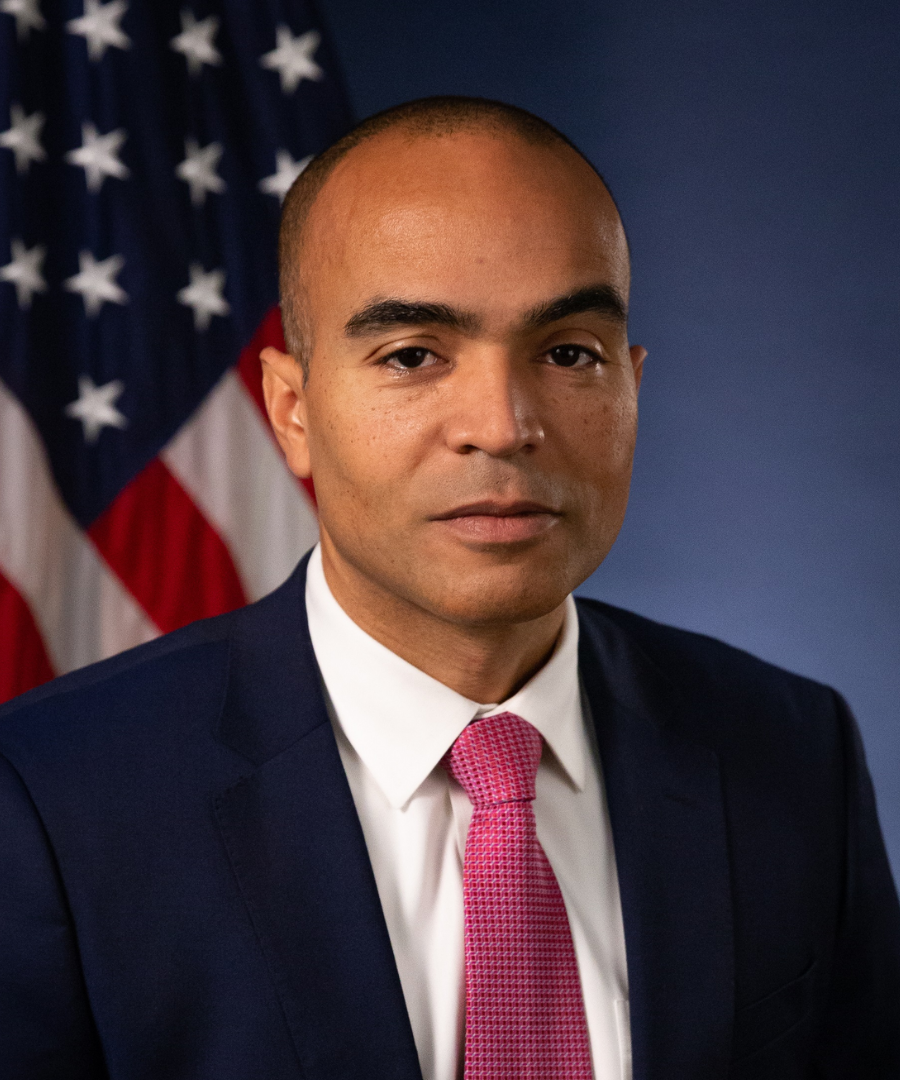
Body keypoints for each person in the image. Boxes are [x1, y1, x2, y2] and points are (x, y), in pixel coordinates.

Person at [1, 97, 898, 1080]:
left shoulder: (791, 751)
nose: (503, 424)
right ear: (292, 412)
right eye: (414, 356)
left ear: (632, 385)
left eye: (567, 354)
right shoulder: (53, 799)